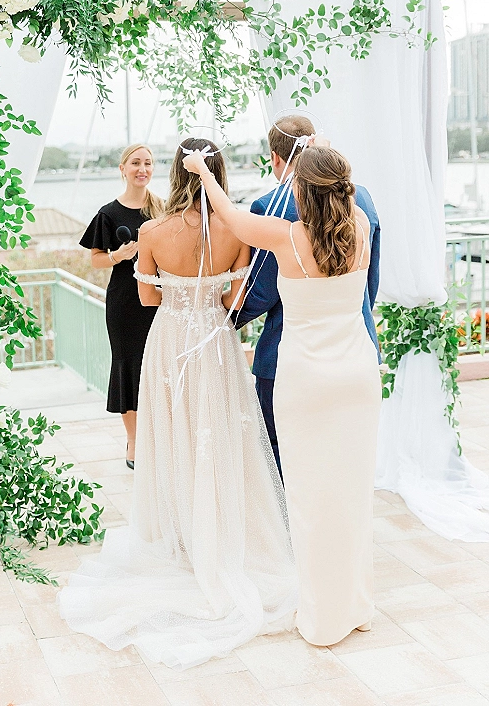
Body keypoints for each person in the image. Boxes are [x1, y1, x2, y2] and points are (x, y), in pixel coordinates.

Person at [58, 138, 298, 669]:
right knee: (224, 433)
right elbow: (237, 299)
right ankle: (224, 536)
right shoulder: (237, 230)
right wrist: (207, 299)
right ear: (219, 174)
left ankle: (184, 539)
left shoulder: (152, 231)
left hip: (169, 341)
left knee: (175, 435)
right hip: (214, 340)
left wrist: (182, 296)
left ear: (173, 173)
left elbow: (147, 298)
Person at [183, 142, 382, 646]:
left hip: (307, 382)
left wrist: (203, 170)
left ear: (298, 189)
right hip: (358, 377)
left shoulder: (287, 236)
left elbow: (226, 216)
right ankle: (356, 604)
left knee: (311, 498)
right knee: (353, 494)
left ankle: (323, 618)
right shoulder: (359, 224)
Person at [236, 115, 380, 476]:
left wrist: (223, 318)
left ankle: (290, 528)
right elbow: (370, 280)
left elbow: (261, 292)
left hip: (289, 356)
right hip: (355, 348)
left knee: (280, 448)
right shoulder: (359, 198)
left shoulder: (269, 207)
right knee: (343, 453)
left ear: (275, 157)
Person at [79, 143, 164, 468]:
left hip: (158, 300)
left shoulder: (162, 209)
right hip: (124, 304)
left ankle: (160, 438)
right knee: (129, 368)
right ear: (123, 169)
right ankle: (134, 442)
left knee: (157, 368)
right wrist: (119, 255)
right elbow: (96, 260)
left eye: (148, 163)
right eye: (136, 163)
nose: (142, 169)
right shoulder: (108, 213)